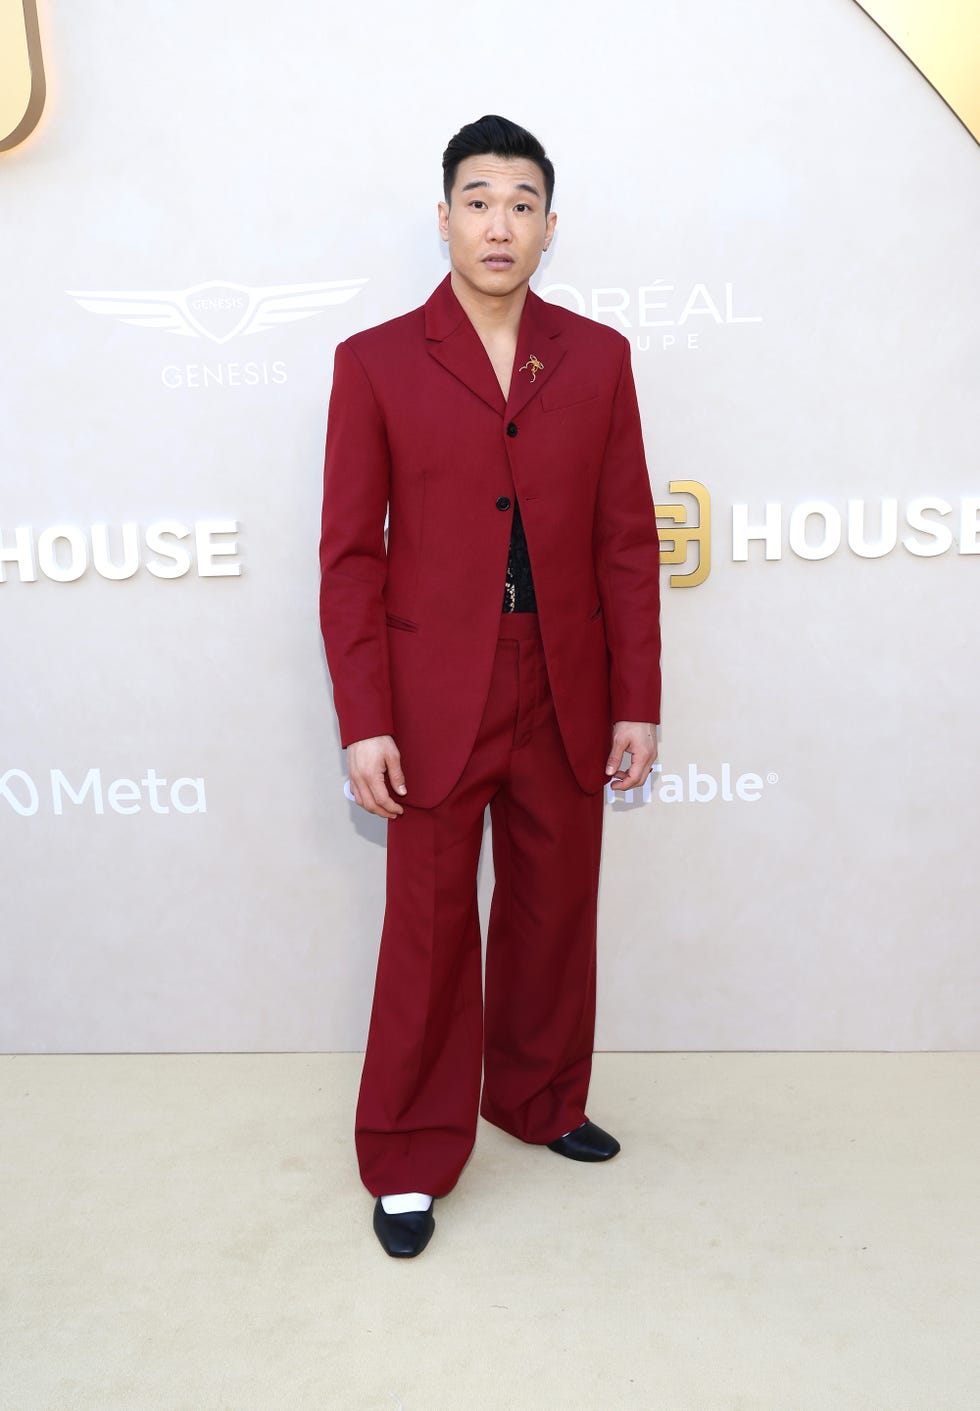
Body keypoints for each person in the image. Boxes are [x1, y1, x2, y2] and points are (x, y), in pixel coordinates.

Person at [319, 115, 661, 1258]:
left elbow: (625, 543)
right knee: (425, 928)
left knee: (552, 908)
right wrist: (363, 718)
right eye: (478, 200)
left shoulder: (598, 357)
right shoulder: (372, 360)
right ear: (444, 218)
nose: (499, 222)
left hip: (566, 678)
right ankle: (410, 1153)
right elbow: (348, 557)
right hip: (428, 692)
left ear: (549, 226)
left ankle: (537, 1099)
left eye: (521, 202)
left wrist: (637, 695)